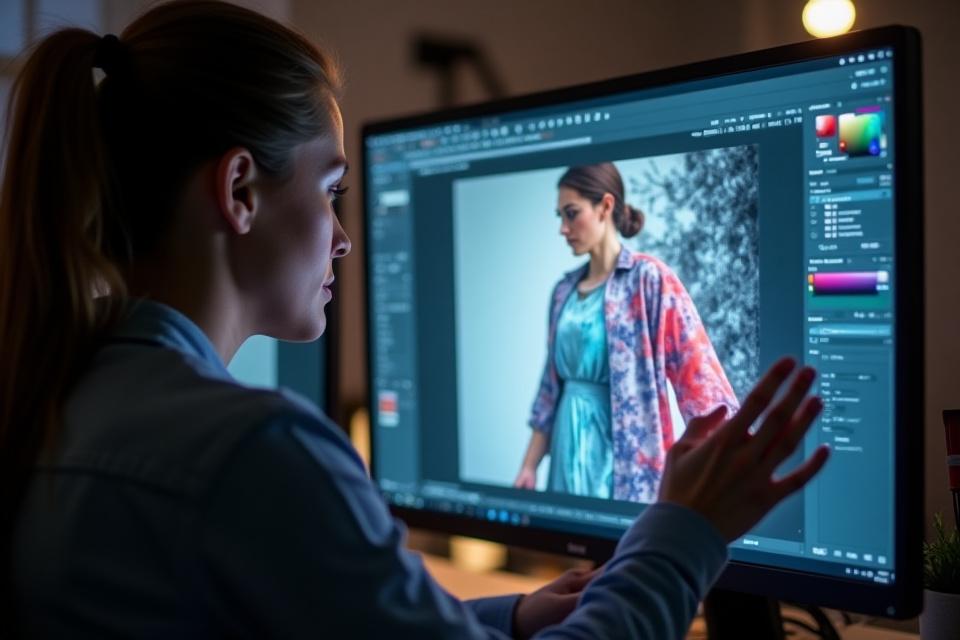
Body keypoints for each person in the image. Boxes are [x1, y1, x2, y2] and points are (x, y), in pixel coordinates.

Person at [0, 2, 829, 638]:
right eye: (331, 195)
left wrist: (507, 618)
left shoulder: (58, 396)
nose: (346, 239)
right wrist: (685, 533)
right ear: (240, 190)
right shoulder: (253, 452)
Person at [515, 163, 739, 503]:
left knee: (626, 548)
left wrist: (734, 459)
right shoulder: (562, 292)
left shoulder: (649, 279)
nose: (563, 228)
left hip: (626, 458)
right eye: (559, 216)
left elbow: (698, 376)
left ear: (605, 206)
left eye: (571, 214)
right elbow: (549, 388)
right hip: (565, 445)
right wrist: (529, 467)